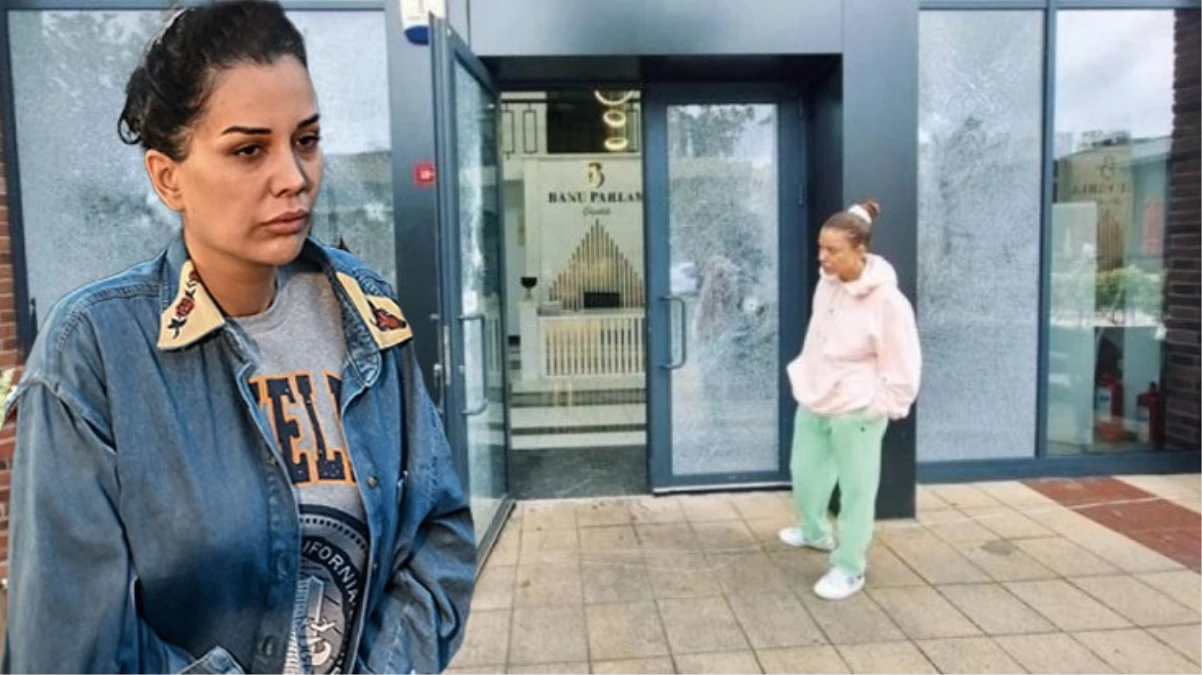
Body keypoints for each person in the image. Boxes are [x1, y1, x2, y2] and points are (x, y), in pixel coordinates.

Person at [1, 2, 476, 672]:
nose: (294, 178)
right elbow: (71, 646)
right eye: (249, 149)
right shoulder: (95, 352)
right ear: (167, 177)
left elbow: (437, 534)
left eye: (306, 140)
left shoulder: (366, 309)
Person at [779, 199, 921, 601]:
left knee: (857, 492)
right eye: (820, 248)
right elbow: (856, 220)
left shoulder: (888, 302)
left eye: (832, 250)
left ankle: (849, 567)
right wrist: (862, 210)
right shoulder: (830, 281)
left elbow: (904, 363)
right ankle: (814, 532)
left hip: (857, 408)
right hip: (816, 396)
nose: (822, 257)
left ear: (861, 250)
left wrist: (880, 407)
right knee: (804, 473)